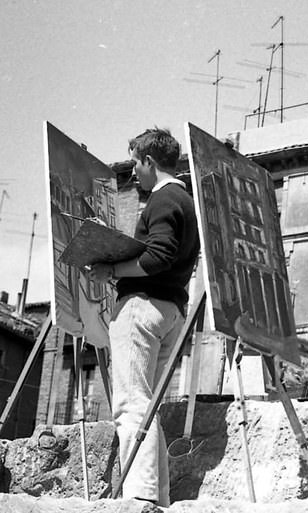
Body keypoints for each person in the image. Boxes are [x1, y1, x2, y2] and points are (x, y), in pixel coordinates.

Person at [86, 128, 200, 505]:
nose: (134, 171)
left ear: (150, 161)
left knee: (131, 406)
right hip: (171, 310)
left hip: (143, 307)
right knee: (147, 406)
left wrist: (112, 271)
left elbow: (158, 256)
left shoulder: (163, 200)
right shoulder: (186, 200)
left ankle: (141, 498)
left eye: (136, 161)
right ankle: (157, 497)